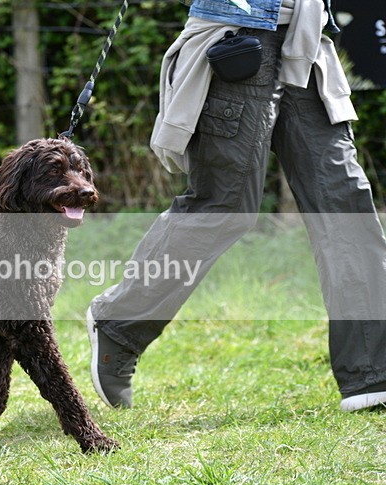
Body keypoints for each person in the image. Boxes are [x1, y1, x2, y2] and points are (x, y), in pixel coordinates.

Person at [87, 0, 386, 412]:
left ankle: (371, 376)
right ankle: (120, 326)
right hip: (239, 42)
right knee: (225, 207)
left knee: (344, 202)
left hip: (307, 41)